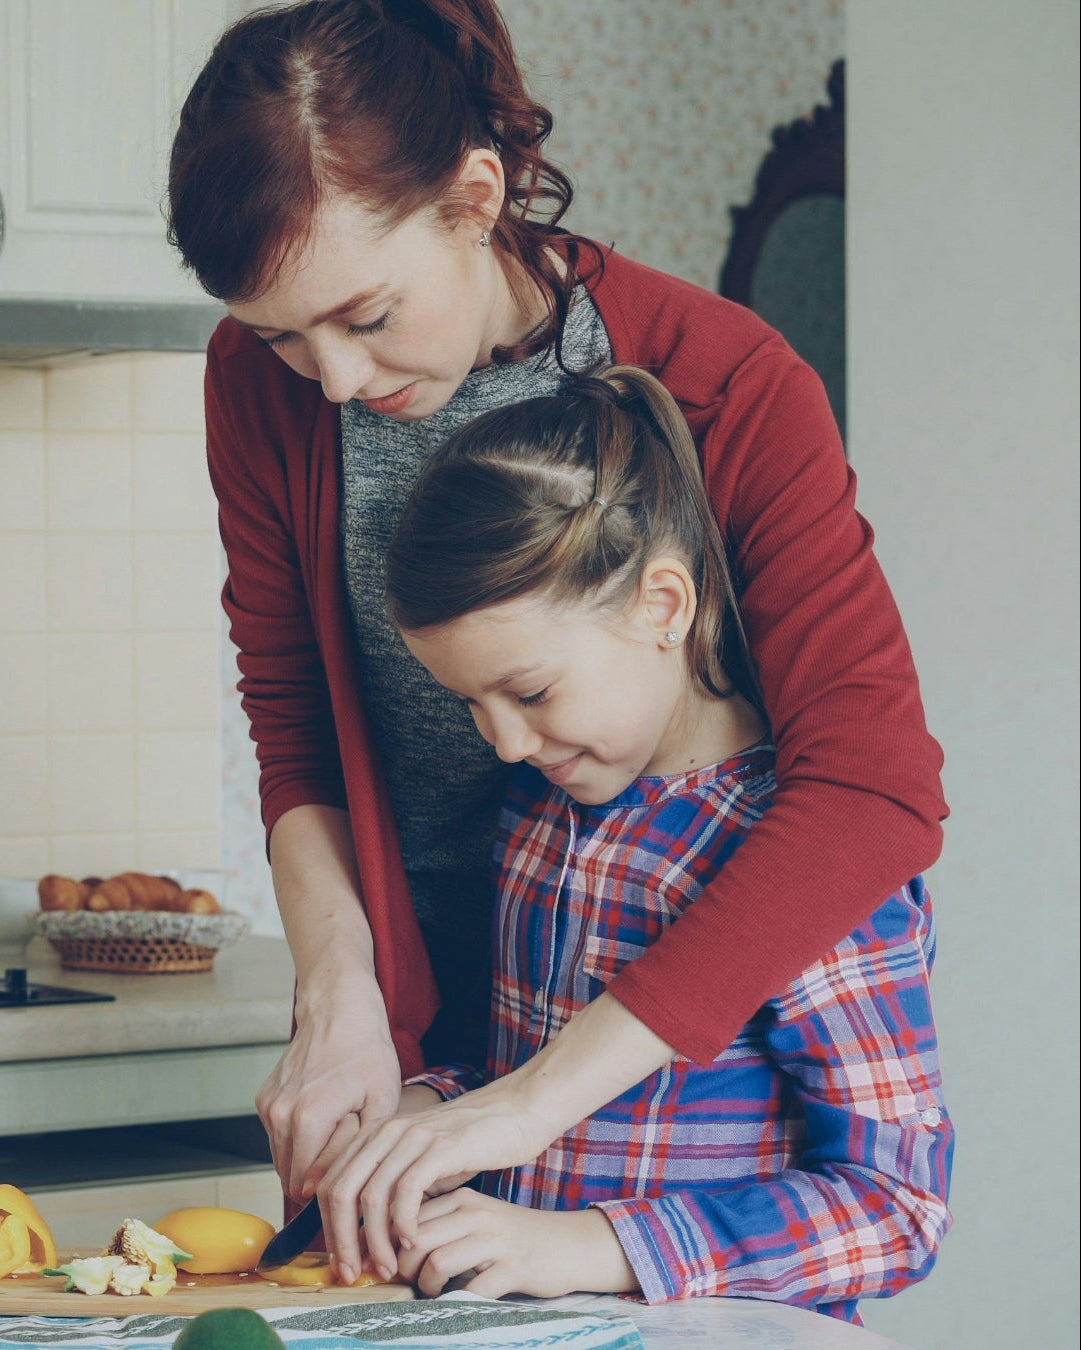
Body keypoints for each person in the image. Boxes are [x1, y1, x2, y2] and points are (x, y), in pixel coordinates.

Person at [166, 0, 948, 1278]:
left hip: (664, 1057)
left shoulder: (725, 381)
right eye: (279, 336)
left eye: (366, 317)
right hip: (446, 1050)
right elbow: (294, 721)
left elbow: (871, 791)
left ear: (475, 199)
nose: (335, 380)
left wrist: (532, 1104)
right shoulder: (263, 387)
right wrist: (343, 1000)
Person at [322, 365, 951, 1318]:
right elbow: (514, 1079)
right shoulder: (539, 815)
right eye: (471, 706)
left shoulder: (804, 863)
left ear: (663, 605)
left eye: (529, 692)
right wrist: (421, 1116)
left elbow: (895, 1209)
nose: (505, 741)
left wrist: (590, 1246)